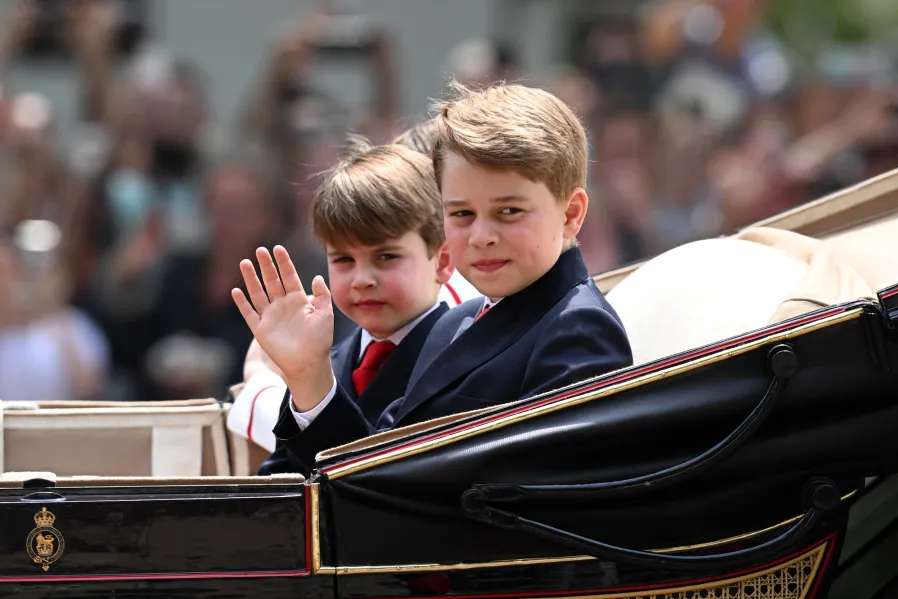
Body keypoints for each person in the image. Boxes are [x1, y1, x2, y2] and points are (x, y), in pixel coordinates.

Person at [233, 82, 633, 474]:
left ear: (571, 214)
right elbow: (372, 471)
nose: (481, 236)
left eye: (509, 211)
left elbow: (547, 495)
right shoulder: (455, 324)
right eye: (461, 214)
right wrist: (309, 375)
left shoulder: (577, 328)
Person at [234, 139, 458, 473]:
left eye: (386, 257)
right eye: (343, 260)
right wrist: (303, 372)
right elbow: (282, 479)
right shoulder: (331, 360)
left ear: (442, 261)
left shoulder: (460, 356)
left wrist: (308, 377)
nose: (362, 279)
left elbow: (372, 477)